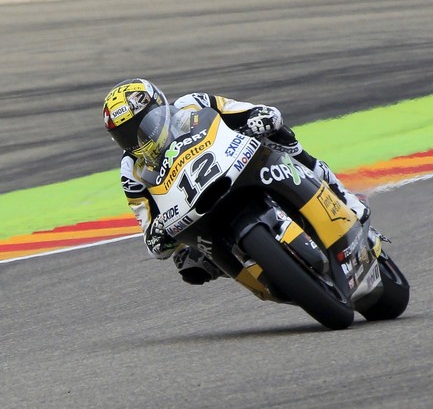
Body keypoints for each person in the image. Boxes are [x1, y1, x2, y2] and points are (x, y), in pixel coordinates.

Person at [101, 78, 370, 286]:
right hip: (195, 213)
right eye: (125, 136)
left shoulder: (193, 103)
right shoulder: (131, 171)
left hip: (237, 165)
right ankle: (262, 270)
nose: (138, 139)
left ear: (159, 106)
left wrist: (260, 119)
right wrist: (158, 237)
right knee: (187, 262)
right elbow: (149, 234)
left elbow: (250, 111)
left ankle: (344, 198)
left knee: (279, 135)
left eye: (142, 125)